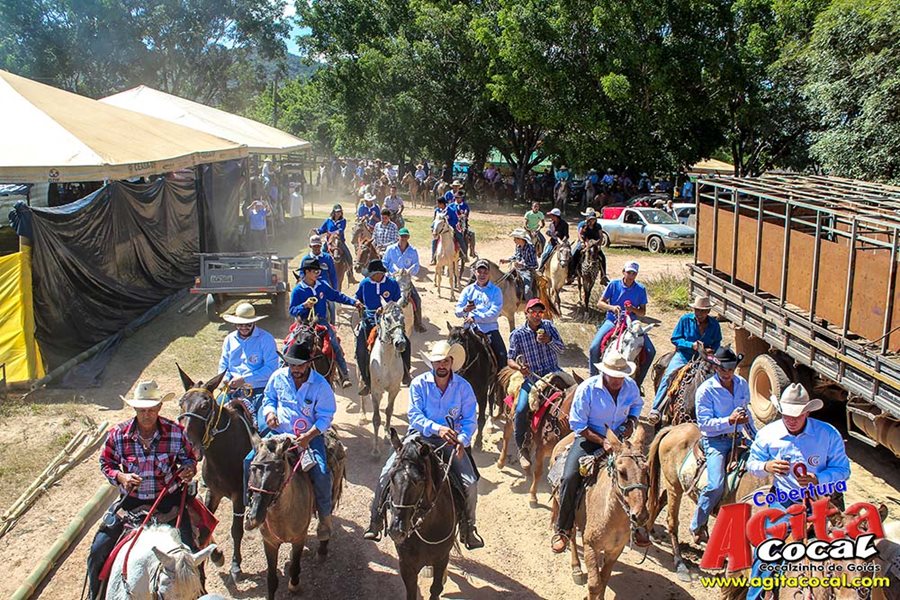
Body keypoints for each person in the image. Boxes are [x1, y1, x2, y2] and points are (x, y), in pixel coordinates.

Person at [364, 341, 484, 549]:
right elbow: (415, 416)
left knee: (470, 482)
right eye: (437, 362)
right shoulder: (419, 383)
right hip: (419, 437)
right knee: (386, 473)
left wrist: (463, 440)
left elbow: (469, 419)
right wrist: (438, 429)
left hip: (452, 441)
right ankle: (376, 518)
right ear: (432, 364)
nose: (442, 365)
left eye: (445, 361)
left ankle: (468, 526)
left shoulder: (463, 387)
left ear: (451, 362)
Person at [86, 381, 198, 600]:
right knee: (98, 550)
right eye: (142, 410)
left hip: (169, 504)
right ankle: (94, 595)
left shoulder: (176, 432)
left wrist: (188, 469)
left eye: (151, 410)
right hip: (131, 505)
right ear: (135, 410)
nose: (147, 415)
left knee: (190, 557)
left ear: (159, 408)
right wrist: (121, 476)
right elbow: (105, 462)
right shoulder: (118, 434)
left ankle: (195, 592)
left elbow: (189, 458)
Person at [745, 383, 850, 600]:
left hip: (824, 503)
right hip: (784, 502)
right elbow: (751, 463)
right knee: (767, 554)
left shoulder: (828, 434)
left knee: (854, 556)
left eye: (797, 415)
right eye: (786, 414)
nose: (791, 420)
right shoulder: (768, 434)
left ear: (808, 412)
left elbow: (843, 470)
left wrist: (818, 478)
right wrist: (766, 467)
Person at [552, 352, 642, 553]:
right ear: (605, 373)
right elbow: (578, 424)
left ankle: (640, 524)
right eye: (614, 376)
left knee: (639, 472)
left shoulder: (630, 387)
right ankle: (564, 529)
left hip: (620, 440)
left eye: (621, 376)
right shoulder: (588, 389)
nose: (618, 380)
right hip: (590, 438)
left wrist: (631, 422)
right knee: (569, 477)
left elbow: (637, 406)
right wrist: (602, 441)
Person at [259, 339, 338, 540]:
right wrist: (269, 414)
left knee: (321, 472)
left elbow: (325, 416)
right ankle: (250, 508)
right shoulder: (277, 378)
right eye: (292, 364)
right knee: (249, 462)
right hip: (278, 436)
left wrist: (309, 436)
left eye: (300, 365)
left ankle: (325, 517)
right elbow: (268, 399)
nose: (296, 369)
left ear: (309, 363)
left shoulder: (320, 385)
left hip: (308, 438)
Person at [689, 347, 756, 544]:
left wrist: (758, 440)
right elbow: (705, 425)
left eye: (730, 369)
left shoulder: (742, 384)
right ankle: (697, 524)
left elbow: (747, 416)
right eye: (723, 369)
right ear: (716, 368)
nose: (727, 373)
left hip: (739, 438)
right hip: (715, 441)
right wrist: (730, 420)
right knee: (716, 484)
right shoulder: (705, 391)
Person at [507, 298, 565, 468]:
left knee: (575, 394)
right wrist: (519, 367)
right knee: (521, 408)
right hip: (532, 377)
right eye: (533, 312)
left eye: (540, 312)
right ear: (526, 313)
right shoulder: (518, 334)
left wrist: (549, 341)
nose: (537, 315)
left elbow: (562, 348)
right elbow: (510, 359)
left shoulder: (549, 327)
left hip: (553, 372)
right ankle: (522, 448)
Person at [290, 257, 363, 388]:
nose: (318, 274)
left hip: (321, 322)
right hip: (304, 324)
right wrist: (304, 306)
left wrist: (354, 302)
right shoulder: (298, 290)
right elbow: (292, 310)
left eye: (318, 272)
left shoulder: (322, 286)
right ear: (307, 272)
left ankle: (344, 375)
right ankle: (284, 370)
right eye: (315, 271)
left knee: (335, 344)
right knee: (290, 345)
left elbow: (336, 295)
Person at [648, 296, 722, 423]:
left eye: (703, 311)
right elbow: (675, 338)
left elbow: (717, 341)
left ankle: (719, 411)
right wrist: (691, 345)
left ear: (708, 312)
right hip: (684, 355)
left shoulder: (714, 324)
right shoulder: (685, 320)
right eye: (697, 310)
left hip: (704, 357)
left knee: (719, 377)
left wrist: (712, 350)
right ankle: (656, 409)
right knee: (668, 376)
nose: (699, 314)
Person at [588, 261, 656, 385]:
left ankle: (638, 383)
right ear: (623, 272)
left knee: (651, 351)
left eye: (634, 273)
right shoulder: (613, 285)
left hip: (633, 322)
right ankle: (592, 377)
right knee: (594, 347)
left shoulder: (640, 289)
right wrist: (612, 308)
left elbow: (642, 312)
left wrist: (633, 310)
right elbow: (600, 303)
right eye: (629, 272)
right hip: (613, 320)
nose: (631, 275)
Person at [355, 259, 412, 393]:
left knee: (406, 342)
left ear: (380, 273)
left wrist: (385, 308)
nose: (371, 277)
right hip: (370, 321)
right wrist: (359, 304)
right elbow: (358, 297)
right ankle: (365, 380)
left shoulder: (392, 284)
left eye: (373, 274)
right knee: (360, 348)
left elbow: (398, 302)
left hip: (390, 320)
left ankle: (406, 373)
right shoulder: (364, 284)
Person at [219, 303, 279, 422]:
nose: (244, 328)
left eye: (248, 325)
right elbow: (224, 363)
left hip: (259, 390)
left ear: (254, 323)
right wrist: (225, 380)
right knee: (212, 415)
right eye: (240, 325)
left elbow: (271, 369)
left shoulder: (266, 339)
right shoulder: (229, 339)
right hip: (232, 389)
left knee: (265, 425)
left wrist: (244, 379)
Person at [455, 258, 507, 367]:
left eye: (485, 272)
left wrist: (475, 318)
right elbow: (457, 311)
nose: (482, 275)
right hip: (469, 329)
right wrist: (465, 309)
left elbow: (494, 313)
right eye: (479, 272)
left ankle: (500, 382)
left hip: (489, 329)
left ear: (489, 274)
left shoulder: (495, 291)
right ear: (475, 272)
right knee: (452, 354)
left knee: (502, 356)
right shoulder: (468, 290)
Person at [382, 227, 426, 332]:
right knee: (381, 297)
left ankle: (418, 323)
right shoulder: (390, 249)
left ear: (408, 237)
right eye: (402, 236)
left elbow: (416, 266)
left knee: (417, 299)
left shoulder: (413, 251)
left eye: (405, 236)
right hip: (392, 279)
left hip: (405, 281)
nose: (403, 238)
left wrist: (410, 273)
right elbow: (384, 263)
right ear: (398, 236)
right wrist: (389, 273)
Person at [303, 235, 339, 324]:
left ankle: (332, 324)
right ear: (310, 246)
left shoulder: (327, 258)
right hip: (310, 287)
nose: (316, 248)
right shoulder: (306, 259)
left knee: (331, 304)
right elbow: (301, 274)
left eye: (318, 246)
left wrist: (334, 289)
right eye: (314, 246)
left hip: (324, 287)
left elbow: (333, 274)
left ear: (321, 246)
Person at [500, 229, 538, 300]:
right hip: (518, 270)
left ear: (521, 239)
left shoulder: (530, 248)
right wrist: (507, 260)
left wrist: (522, 265)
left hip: (528, 271)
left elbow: (534, 264)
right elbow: (516, 256)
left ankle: (531, 305)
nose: (514, 240)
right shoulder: (518, 246)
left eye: (515, 238)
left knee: (527, 290)